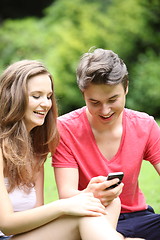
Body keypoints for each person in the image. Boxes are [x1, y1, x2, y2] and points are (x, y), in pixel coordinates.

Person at [0, 59, 123, 240]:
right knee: (87, 217)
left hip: (23, 236)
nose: (46, 104)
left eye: (48, 96)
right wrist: (64, 206)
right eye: (36, 96)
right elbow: (7, 223)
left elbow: (36, 216)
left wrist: (86, 197)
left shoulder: (35, 151)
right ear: (13, 97)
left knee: (109, 202)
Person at [52, 48, 160, 240]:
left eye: (113, 99)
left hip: (140, 217)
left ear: (126, 87)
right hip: (92, 218)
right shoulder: (65, 129)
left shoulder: (145, 125)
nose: (105, 110)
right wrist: (90, 193)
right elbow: (66, 194)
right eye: (94, 102)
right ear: (83, 93)